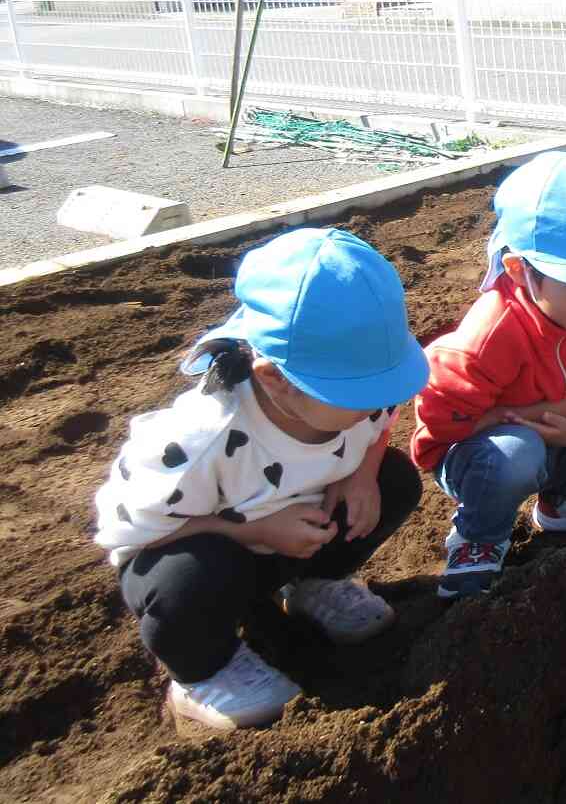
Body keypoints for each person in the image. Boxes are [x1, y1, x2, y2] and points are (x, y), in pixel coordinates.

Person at [95, 227, 431, 731]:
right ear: (274, 378)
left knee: (394, 481)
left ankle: (314, 586)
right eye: (360, 391)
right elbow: (127, 529)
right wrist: (248, 530)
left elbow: (381, 419)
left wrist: (359, 475)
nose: (377, 401)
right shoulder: (204, 440)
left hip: (294, 535)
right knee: (187, 578)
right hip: (211, 550)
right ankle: (203, 674)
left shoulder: (351, 396)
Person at [410, 153, 566, 600]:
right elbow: (441, 424)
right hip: (482, 453)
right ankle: (479, 536)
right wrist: (520, 415)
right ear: (519, 270)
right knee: (516, 453)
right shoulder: (490, 336)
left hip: (560, 433)